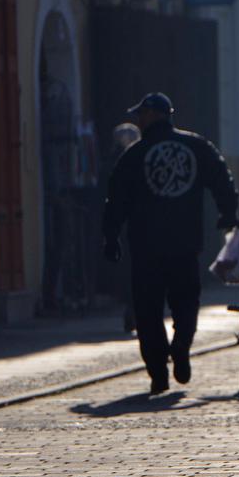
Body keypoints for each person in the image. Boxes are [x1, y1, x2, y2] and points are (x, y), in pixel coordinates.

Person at [102, 93, 239, 395]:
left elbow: (116, 198)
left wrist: (111, 236)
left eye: (141, 114)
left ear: (152, 115)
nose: (138, 119)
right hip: (185, 243)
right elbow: (222, 179)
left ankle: (158, 374)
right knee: (186, 302)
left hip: (146, 246)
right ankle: (181, 346)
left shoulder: (136, 154)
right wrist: (227, 213)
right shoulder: (197, 146)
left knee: (148, 311)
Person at [110, 122, 141, 334]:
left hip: (123, 225)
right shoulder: (141, 160)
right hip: (137, 225)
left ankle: (132, 310)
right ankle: (134, 311)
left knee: (129, 270)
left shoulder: (114, 162)